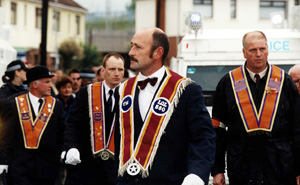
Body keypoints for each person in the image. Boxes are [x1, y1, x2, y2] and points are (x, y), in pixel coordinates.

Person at [114, 27, 215, 185]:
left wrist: (196, 176)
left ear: (157, 53)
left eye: (138, 47)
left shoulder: (186, 90)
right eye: (131, 45)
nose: (131, 53)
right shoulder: (122, 90)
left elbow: (203, 138)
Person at [211, 31, 300, 185]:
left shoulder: (285, 82)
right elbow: (218, 130)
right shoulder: (227, 84)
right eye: (253, 50)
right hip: (242, 168)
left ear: (268, 50)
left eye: (262, 49)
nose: (258, 54)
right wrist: (217, 169)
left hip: (281, 168)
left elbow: (297, 129)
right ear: (244, 53)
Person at [63, 53, 125, 185]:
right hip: (87, 166)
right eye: (112, 69)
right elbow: (73, 124)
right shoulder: (87, 93)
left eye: (120, 70)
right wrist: (71, 147)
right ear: (103, 71)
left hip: (115, 167)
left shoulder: (129, 96)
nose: (117, 74)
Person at [0, 66, 65, 185]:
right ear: (35, 84)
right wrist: (3, 162)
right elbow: (5, 137)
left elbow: (62, 133)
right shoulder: (14, 104)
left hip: (47, 170)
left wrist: (63, 152)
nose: (51, 85)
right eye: (47, 82)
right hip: (20, 170)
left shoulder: (57, 105)